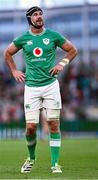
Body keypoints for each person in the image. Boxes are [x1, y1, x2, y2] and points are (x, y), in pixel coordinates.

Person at [4, 6, 77, 173]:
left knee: (53, 124)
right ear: (29, 19)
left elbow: (73, 50)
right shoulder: (23, 39)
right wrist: (14, 70)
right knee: (30, 127)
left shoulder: (53, 35)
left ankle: (55, 163)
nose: (39, 17)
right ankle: (31, 158)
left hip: (51, 85)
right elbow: (7, 53)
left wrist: (61, 64)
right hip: (31, 87)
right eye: (35, 15)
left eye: (40, 14)